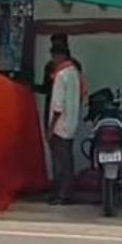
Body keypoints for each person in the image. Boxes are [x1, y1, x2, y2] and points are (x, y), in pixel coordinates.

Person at [47, 37, 83, 206]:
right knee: (68, 159)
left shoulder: (61, 75)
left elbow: (57, 106)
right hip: (71, 122)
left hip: (60, 125)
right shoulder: (75, 72)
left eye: (53, 57)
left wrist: (50, 128)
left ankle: (61, 193)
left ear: (59, 56)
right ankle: (67, 192)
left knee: (60, 162)